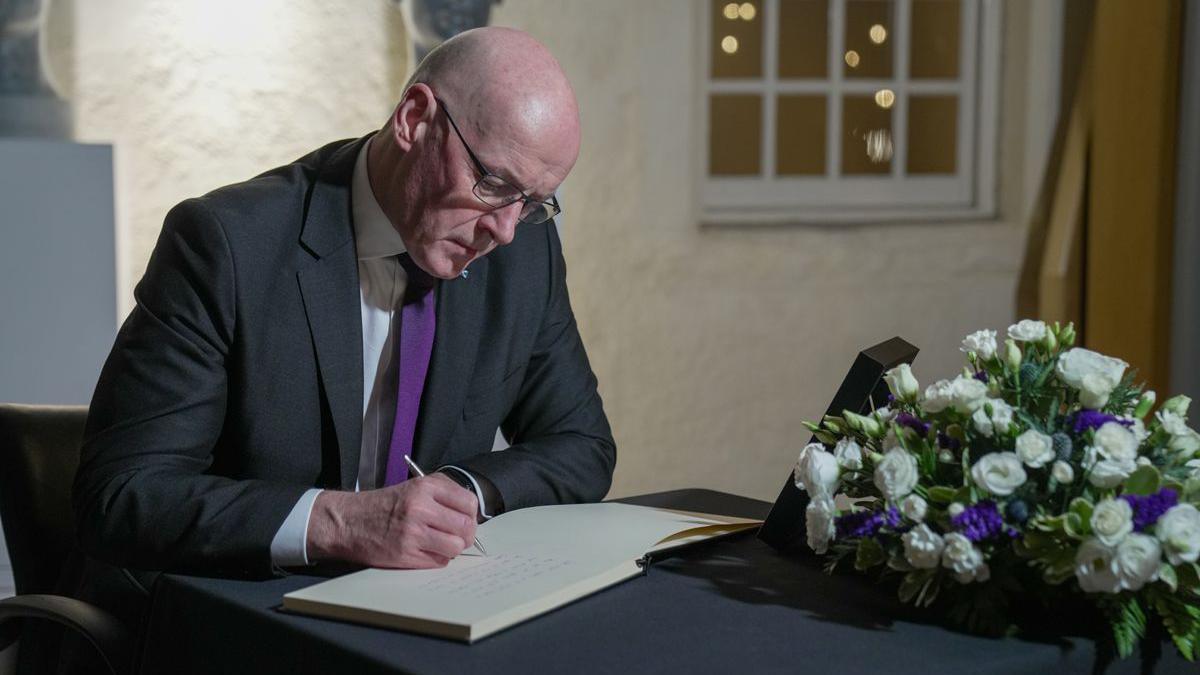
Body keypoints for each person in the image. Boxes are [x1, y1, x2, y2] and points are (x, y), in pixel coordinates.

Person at [72, 25, 615, 586]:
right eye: (494, 182)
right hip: (247, 608)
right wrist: (340, 522)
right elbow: (121, 495)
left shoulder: (523, 251)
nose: (504, 231)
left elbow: (582, 446)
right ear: (414, 119)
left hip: (421, 602)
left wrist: (459, 489)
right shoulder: (225, 244)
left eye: (533, 202)